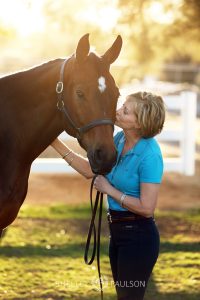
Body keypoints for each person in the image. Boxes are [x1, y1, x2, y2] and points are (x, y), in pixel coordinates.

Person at [51, 91, 166, 300]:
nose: (118, 111)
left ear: (139, 123)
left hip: (139, 237)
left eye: (126, 111)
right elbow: (90, 170)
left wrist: (110, 190)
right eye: (122, 106)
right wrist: (54, 142)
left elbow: (147, 208)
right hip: (118, 231)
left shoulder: (150, 155)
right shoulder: (120, 139)